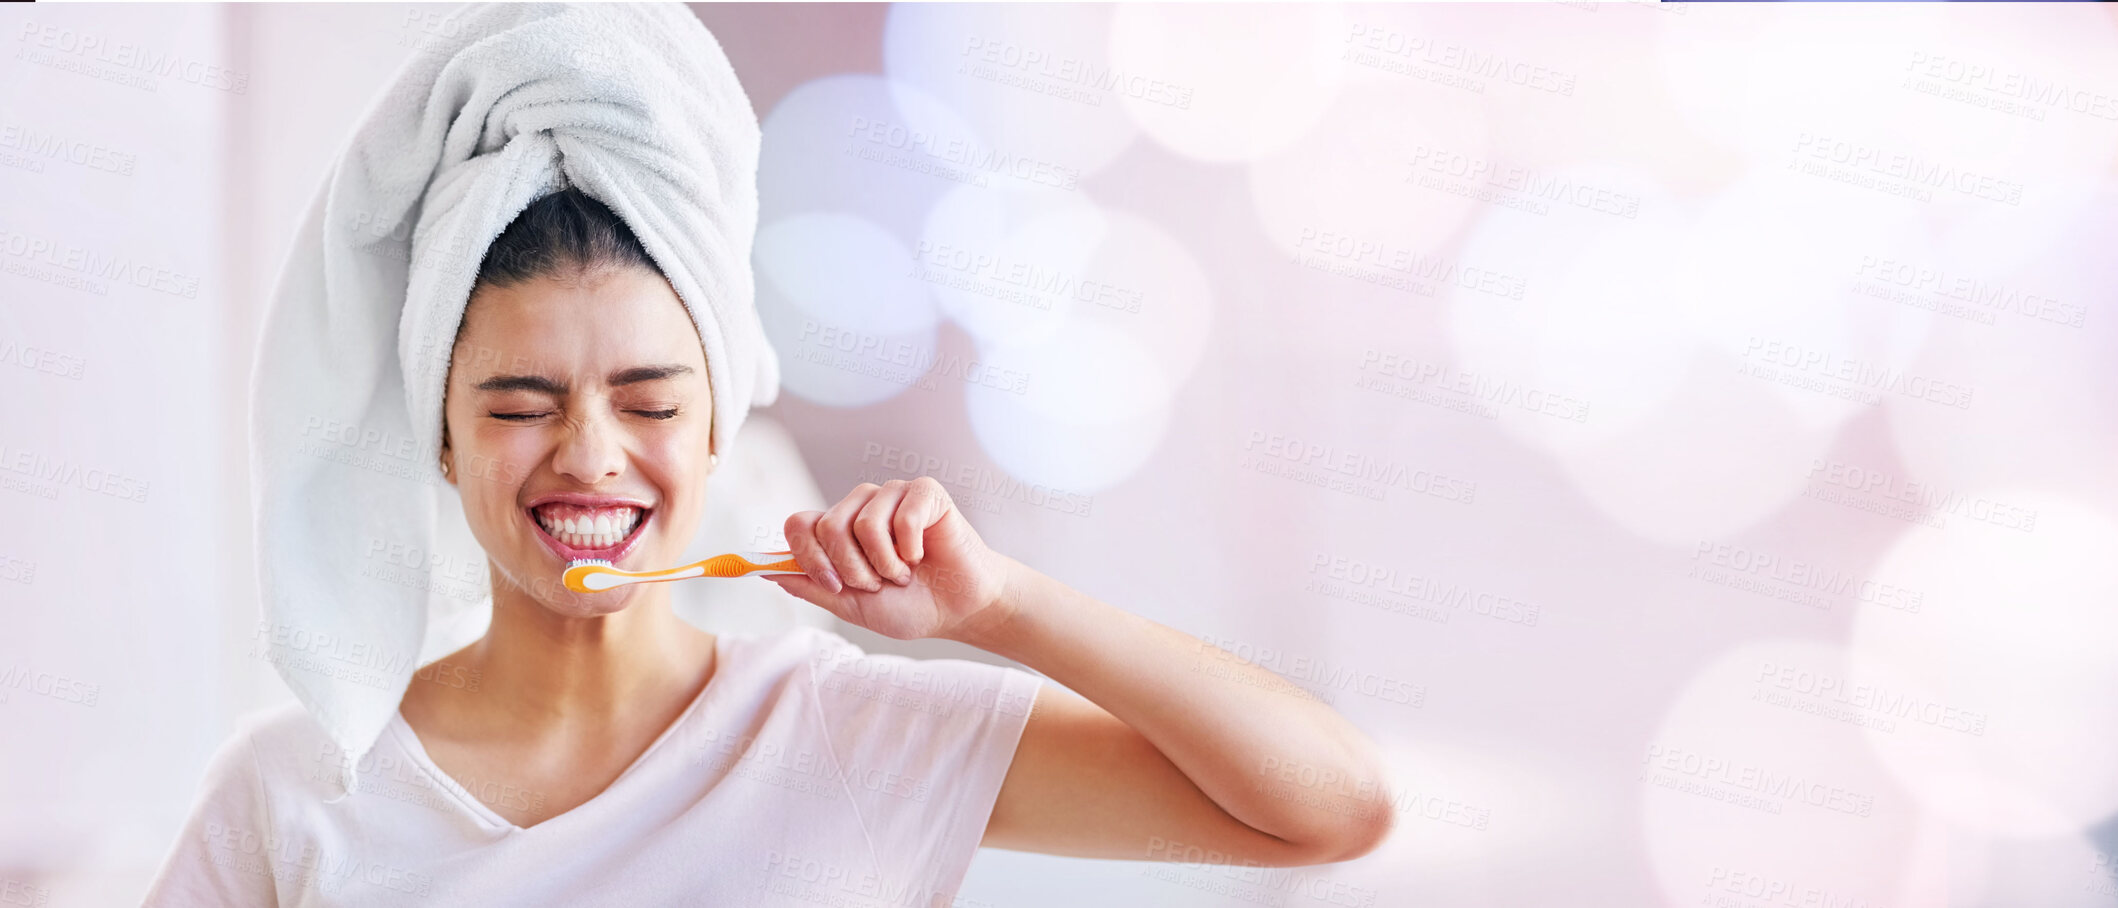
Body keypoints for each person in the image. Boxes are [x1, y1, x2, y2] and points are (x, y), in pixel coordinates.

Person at [145, 189, 1392, 906]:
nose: (588, 453)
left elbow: (1326, 810)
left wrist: (997, 604)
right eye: (521, 403)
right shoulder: (300, 786)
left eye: (649, 401)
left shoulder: (848, 733)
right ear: (442, 440)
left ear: (719, 428)